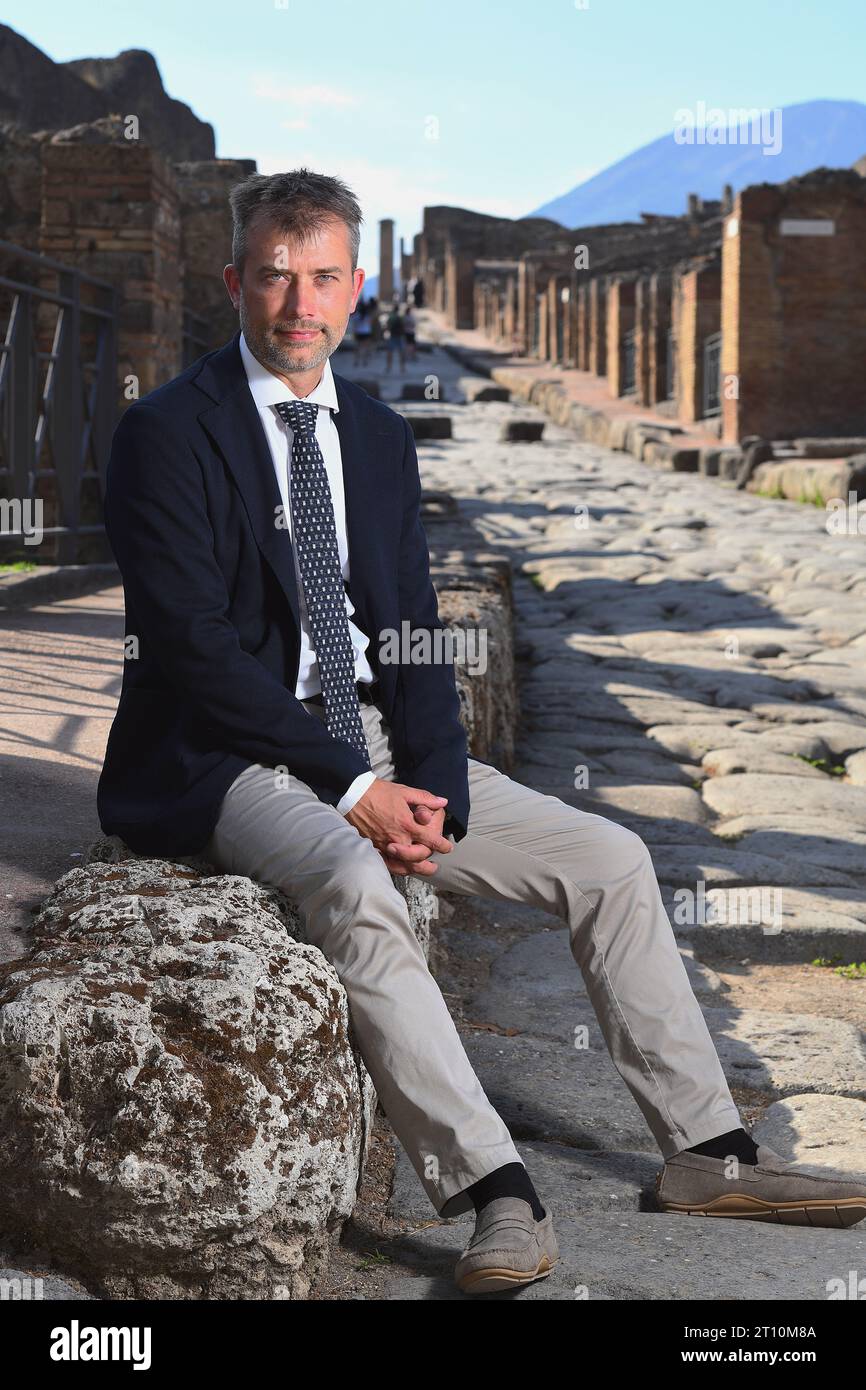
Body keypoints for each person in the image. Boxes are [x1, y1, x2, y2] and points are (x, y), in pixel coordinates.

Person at [98, 168, 866, 1298]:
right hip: (230, 753)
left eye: (323, 278)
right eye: (274, 277)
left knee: (610, 857)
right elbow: (191, 647)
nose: (299, 304)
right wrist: (354, 789)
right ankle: (492, 1191)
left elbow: (411, 627)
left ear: (355, 289)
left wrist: (437, 788)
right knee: (353, 879)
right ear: (235, 283)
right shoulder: (165, 431)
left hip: (367, 736)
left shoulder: (375, 435)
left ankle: (707, 1154)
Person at [384, 302, 406, 373]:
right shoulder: (400, 317)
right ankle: (402, 368)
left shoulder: (391, 317)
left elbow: (387, 326)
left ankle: (389, 367)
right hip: (400, 336)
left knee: (390, 352)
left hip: (392, 336)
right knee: (401, 352)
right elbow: (403, 327)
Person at [352, 298, 373, 365]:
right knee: (365, 348)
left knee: (357, 347)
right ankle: (365, 361)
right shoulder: (368, 316)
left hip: (358, 332)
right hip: (366, 332)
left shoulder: (357, 315)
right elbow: (370, 324)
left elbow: (354, 324)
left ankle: (356, 361)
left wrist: (354, 332)